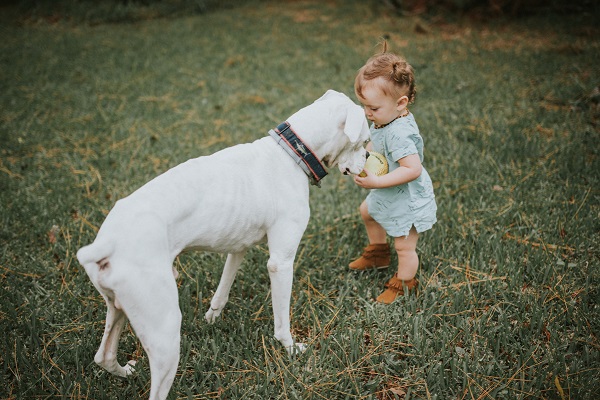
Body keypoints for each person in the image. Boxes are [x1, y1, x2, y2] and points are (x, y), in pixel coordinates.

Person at [350, 44, 437, 304]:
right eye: (364, 105)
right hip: (389, 187)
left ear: (401, 103)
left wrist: (376, 181)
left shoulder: (399, 133)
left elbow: (412, 169)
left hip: (406, 195)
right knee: (368, 211)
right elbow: (375, 142)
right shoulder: (383, 119)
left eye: (373, 108)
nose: (367, 112)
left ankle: (405, 283)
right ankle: (378, 253)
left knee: (404, 245)